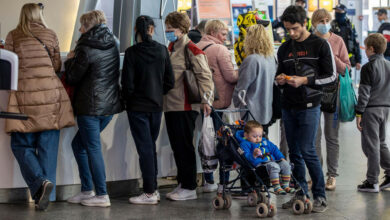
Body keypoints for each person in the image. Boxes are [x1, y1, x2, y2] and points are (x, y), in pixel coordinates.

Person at [4, 3, 75, 210]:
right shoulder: (50, 34)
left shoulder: (13, 35)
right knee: (48, 150)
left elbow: (8, 66)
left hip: (25, 98)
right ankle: (45, 200)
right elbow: (56, 66)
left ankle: (40, 184)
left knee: (20, 144)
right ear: (39, 15)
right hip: (52, 98)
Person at [275, 5, 337, 213]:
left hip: (310, 105)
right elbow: (278, 75)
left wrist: (305, 80)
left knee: (308, 150)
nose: (291, 33)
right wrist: (280, 80)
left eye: (295, 28)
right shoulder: (284, 48)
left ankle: (320, 196)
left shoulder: (320, 45)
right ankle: (301, 192)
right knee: (294, 153)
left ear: (304, 24)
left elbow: (331, 77)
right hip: (288, 106)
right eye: (287, 29)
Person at [65, 10, 122, 207]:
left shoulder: (84, 46)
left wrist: (70, 59)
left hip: (89, 106)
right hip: (109, 106)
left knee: (92, 148)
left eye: (81, 26)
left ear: (87, 26)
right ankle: (87, 190)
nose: (79, 30)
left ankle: (101, 194)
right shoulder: (114, 42)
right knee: (79, 145)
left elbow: (73, 76)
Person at [121, 15, 174, 205]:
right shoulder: (162, 50)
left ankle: (150, 192)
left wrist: (129, 100)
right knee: (150, 147)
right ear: (152, 29)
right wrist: (158, 93)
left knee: (145, 149)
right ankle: (153, 188)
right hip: (156, 105)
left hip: (137, 107)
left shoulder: (131, 53)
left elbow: (127, 84)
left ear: (136, 30)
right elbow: (170, 81)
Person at [164, 11, 214, 201]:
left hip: (185, 105)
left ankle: (189, 186)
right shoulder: (171, 47)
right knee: (177, 146)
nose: (168, 31)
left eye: (171, 29)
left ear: (181, 29)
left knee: (184, 146)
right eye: (167, 28)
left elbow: (204, 75)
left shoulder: (190, 48)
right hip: (170, 105)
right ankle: (183, 181)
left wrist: (206, 100)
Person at [311, 9, 351, 191]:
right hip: (311, 92)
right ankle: (316, 173)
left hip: (333, 93)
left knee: (331, 136)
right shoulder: (309, 41)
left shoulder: (338, 40)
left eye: (327, 20)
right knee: (314, 136)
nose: (325, 23)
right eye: (321, 20)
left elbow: (346, 69)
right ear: (314, 23)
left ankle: (332, 175)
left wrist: (333, 57)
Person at [197, 19, 238, 193]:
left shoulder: (195, 46)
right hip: (220, 103)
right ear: (213, 32)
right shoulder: (220, 49)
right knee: (223, 143)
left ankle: (208, 180)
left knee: (206, 141)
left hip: (202, 101)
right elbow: (230, 77)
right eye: (222, 33)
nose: (225, 37)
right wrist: (242, 70)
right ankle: (224, 183)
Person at [355, 33, 390, 193]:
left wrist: (359, 113)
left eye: (366, 48)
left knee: (371, 145)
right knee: (381, 142)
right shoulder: (389, 65)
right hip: (386, 108)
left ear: (370, 49)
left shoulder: (368, 67)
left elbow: (364, 93)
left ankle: (372, 181)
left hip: (371, 109)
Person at [233, 24, 276, 128]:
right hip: (266, 110)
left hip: (251, 112)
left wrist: (236, 102)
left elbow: (242, 88)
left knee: (250, 142)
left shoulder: (251, 60)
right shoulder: (271, 58)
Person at [236, 121, 294, 194]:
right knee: (274, 166)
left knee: (285, 164)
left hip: (271, 162)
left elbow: (274, 149)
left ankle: (285, 185)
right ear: (246, 135)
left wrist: (281, 157)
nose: (258, 138)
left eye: (260, 136)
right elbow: (245, 158)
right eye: (254, 136)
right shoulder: (245, 144)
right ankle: (276, 187)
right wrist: (253, 155)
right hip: (259, 166)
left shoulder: (264, 141)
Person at [331, 4, 362, 71]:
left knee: (346, 80)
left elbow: (356, 43)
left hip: (347, 59)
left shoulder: (350, 26)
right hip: (334, 59)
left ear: (344, 12)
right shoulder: (331, 26)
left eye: (339, 11)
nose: (337, 13)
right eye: (336, 11)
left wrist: (358, 61)